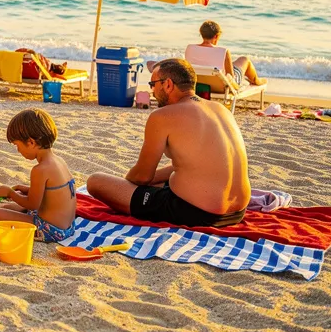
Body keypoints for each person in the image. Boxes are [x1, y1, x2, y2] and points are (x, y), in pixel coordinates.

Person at [86, 58, 250, 227]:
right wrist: (151, 181)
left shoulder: (163, 116)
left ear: (168, 84)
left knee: (96, 181)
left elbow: (142, 176)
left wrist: (127, 185)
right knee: (163, 180)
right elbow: (200, 164)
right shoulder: (220, 109)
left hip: (200, 213)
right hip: (237, 212)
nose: (152, 90)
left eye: (153, 84)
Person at [0, 109, 78, 242]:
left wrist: (10, 193)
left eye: (17, 145)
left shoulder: (40, 169)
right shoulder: (59, 161)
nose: (18, 150)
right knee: (7, 208)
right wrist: (27, 190)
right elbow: (52, 194)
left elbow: (32, 204)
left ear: (31, 142)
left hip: (51, 230)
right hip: (68, 226)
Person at [187, 20, 267, 87]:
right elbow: (231, 78)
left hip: (199, 85)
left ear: (201, 34)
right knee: (245, 60)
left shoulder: (190, 48)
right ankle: (256, 80)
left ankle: (255, 79)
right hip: (223, 87)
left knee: (234, 64)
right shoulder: (223, 51)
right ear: (216, 36)